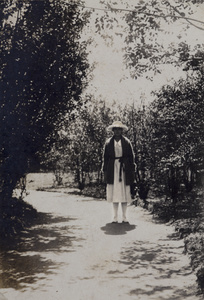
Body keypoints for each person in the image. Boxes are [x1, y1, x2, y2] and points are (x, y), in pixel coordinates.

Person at [102, 120, 135, 223]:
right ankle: (115, 216)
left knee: (124, 192)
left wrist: (131, 168)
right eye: (115, 129)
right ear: (112, 131)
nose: (117, 131)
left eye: (119, 129)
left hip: (124, 169)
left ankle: (125, 216)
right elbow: (105, 158)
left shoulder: (126, 142)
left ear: (122, 131)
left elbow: (131, 156)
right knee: (115, 192)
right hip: (112, 169)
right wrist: (105, 170)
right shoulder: (108, 143)